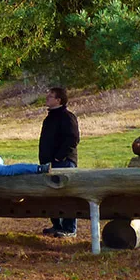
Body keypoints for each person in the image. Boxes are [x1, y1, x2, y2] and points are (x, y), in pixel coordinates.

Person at [38, 86, 80, 237]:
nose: (47, 98)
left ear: (58, 100)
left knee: (66, 193)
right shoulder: (50, 118)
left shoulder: (67, 117)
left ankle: (69, 229)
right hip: (48, 164)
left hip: (63, 162)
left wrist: (59, 157)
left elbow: (73, 139)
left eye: (50, 96)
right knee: (51, 194)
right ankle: (56, 225)